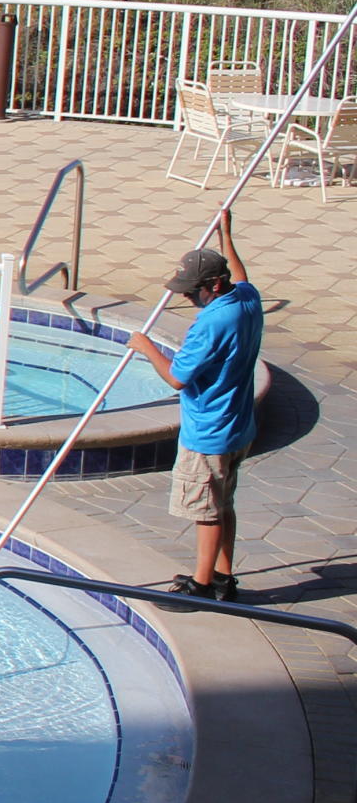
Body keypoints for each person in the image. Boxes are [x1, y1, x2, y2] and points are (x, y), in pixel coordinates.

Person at [128, 219, 263, 598]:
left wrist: (146, 346)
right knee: (223, 504)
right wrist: (228, 237)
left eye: (192, 292)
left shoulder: (211, 324)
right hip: (238, 426)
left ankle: (201, 586)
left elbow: (177, 378)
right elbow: (242, 273)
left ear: (214, 286)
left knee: (205, 510)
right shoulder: (247, 300)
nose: (187, 299)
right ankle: (222, 575)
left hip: (208, 431)